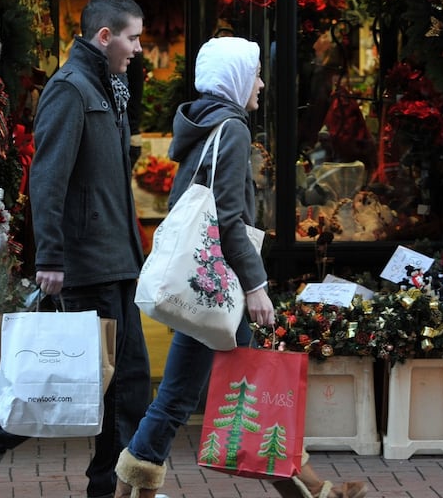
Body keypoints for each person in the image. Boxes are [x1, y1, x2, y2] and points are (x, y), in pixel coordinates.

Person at [112, 36, 367, 498]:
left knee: (233, 385)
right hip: (219, 285)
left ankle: (307, 488)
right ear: (235, 77)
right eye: (255, 73)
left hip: (208, 281)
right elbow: (228, 219)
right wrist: (256, 285)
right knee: (196, 394)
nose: (263, 83)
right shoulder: (231, 129)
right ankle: (307, 489)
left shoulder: (202, 124)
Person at [0, 0, 152, 498]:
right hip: (89, 264)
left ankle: (111, 489)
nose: (137, 49)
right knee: (81, 381)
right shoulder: (70, 89)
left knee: (125, 387)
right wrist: (51, 257)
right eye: (132, 38)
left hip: (117, 260)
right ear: (105, 36)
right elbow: (47, 179)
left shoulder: (110, 85)